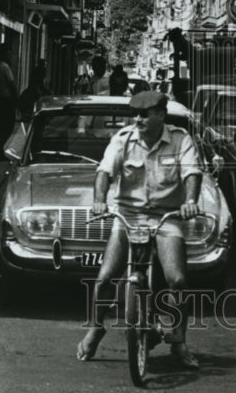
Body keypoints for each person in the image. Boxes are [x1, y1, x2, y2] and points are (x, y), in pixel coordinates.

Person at [76, 90, 202, 369]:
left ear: (160, 114)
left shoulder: (181, 140)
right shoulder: (123, 140)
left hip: (165, 217)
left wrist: (190, 202)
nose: (138, 119)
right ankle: (96, 328)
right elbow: (104, 172)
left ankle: (179, 341)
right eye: (134, 114)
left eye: (144, 114)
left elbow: (192, 173)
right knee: (105, 277)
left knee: (178, 280)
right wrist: (99, 200)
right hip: (128, 216)